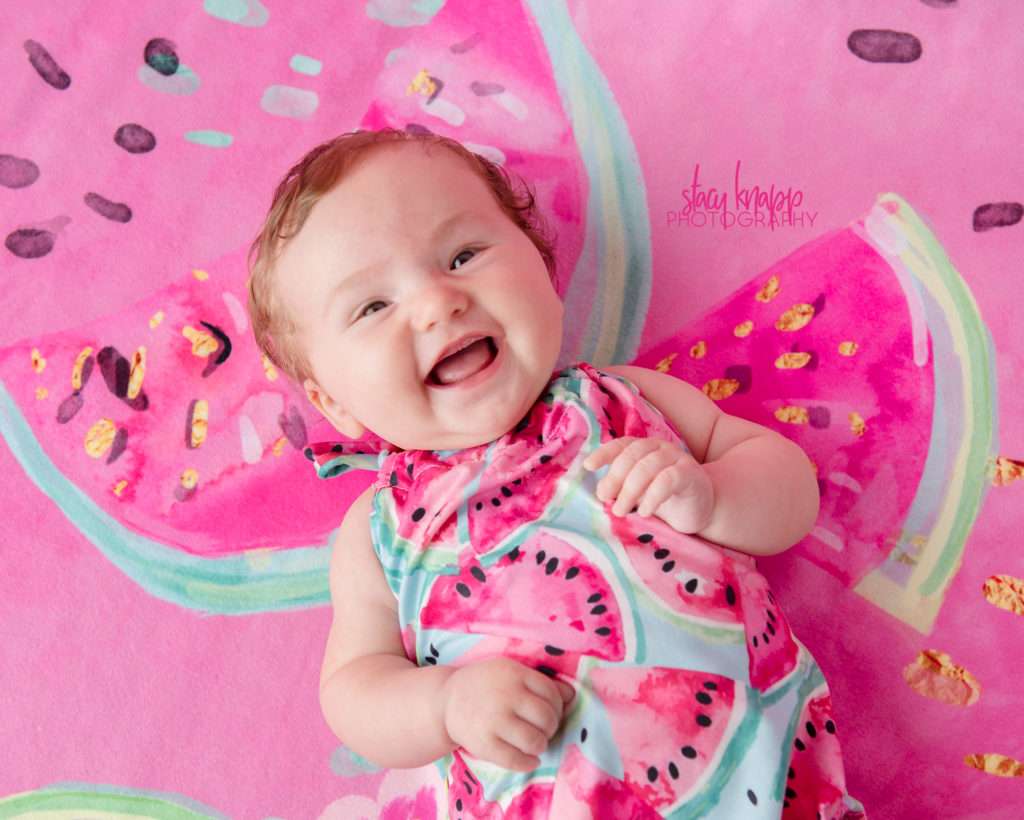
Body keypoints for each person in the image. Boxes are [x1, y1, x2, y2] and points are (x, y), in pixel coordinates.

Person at [246, 127, 864, 818]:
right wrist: (446, 704)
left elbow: (789, 486)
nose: (435, 302)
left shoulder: (626, 398)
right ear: (333, 401)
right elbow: (354, 690)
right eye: (373, 306)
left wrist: (713, 495)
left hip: (769, 782)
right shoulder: (375, 529)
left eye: (464, 254)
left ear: (541, 268)